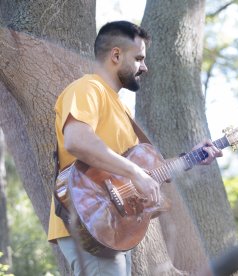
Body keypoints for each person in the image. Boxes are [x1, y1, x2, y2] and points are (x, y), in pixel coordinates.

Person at [47, 20, 223, 276]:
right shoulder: (88, 88)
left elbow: (146, 170)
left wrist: (190, 157)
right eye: (139, 58)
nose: (145, 67)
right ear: (116, 55)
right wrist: (135, 174)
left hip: (110, 233)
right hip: (88, 221)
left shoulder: (120, 108)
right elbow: (77, 140)